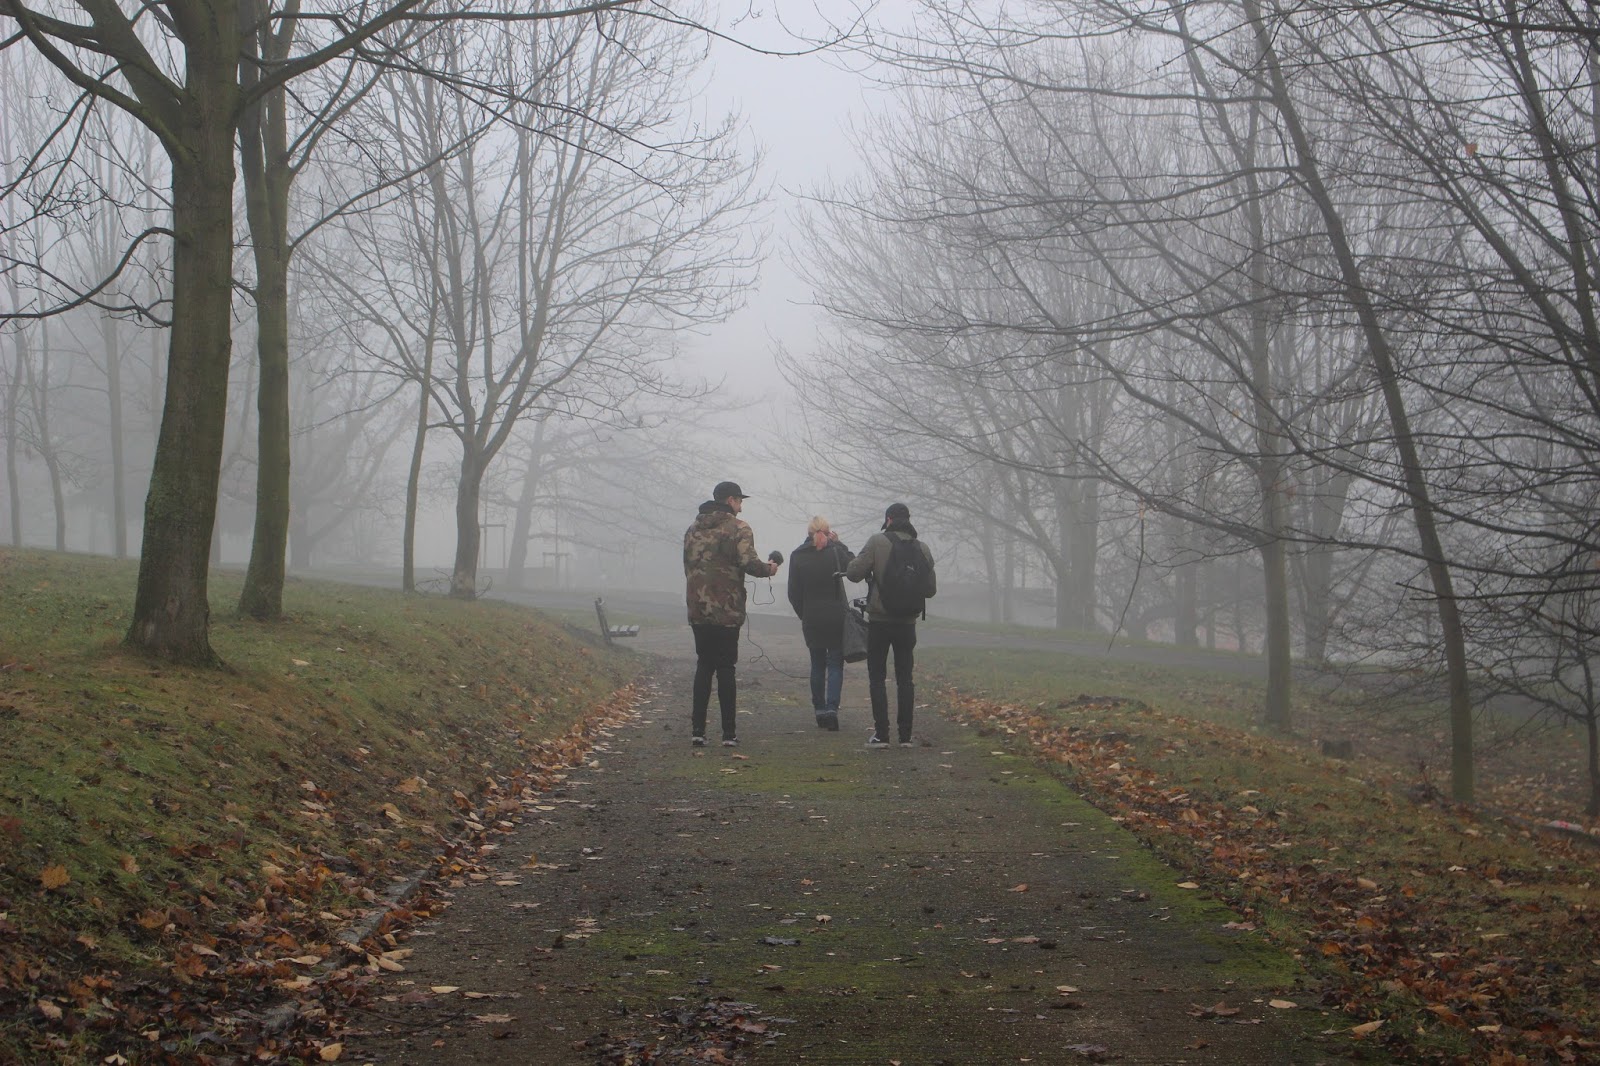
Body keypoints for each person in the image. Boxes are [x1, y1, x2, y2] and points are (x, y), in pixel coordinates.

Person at [683, 480, 780, 748]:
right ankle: (728, 734)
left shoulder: (692, 529)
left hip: (698, 608)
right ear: (730, 500)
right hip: (727, 609)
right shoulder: (739, 528)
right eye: (739, 501)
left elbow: (687, 564)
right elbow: (749, 563)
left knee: (704, 665)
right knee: (726, 667)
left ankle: (698, 731)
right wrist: (769, 569)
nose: (741, 506)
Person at [846, 502, 936, 748]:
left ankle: (881, 735)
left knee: (877, 677)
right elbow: (930, 590)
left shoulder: (877, 542)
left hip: (880, 621)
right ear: (908, 520)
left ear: (888, 520)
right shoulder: (922, 548)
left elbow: (853, 573)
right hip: (907, 623)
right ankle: (905, 736)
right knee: (905, 678)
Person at [786, 516, 855, 731]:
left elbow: (793, 592)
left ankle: (819, 710)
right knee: (835, 664)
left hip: (812, 617)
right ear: (828, 532)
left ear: (808, 533)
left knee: (817, 664)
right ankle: (832, 709)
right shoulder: (835, 552)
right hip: (835, 617)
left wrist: (804, 614)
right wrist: (839, 543)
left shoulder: (797, 556)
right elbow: (853, 567)